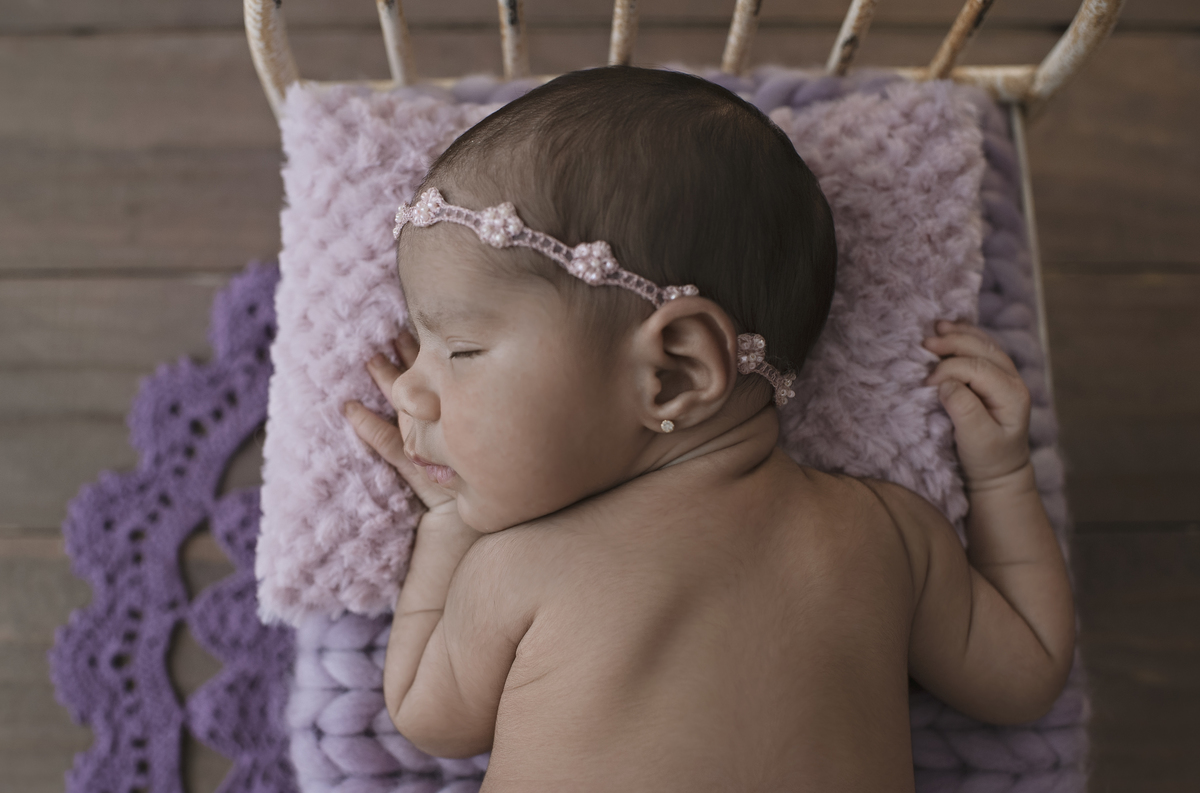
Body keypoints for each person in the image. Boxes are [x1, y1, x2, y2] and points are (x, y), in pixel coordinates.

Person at [340, 66, 1075, 791]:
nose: (407, 388)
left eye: (461, 350)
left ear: (674, 372)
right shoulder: (889, 531)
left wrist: (447, 528)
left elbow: (429, 718)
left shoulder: (514, 566)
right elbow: (1028, 670)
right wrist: (1002, 478)